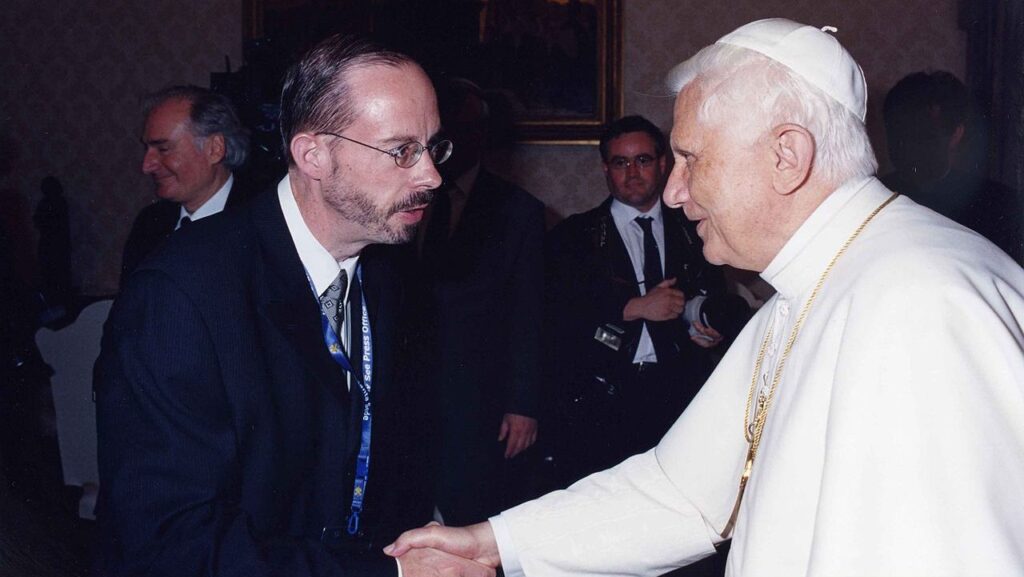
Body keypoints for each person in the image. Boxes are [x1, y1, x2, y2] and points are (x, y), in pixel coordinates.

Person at [384, 18, 1024, 576]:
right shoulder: (806, 292)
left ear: (787, 156)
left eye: (690, 158)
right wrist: (489, 542)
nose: (672, 191)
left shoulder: (921, 300)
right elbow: (682, 493)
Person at [95, 34, 492, 576]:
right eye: (402, 151)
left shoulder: (386, 272)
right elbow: (173, 545)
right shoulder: (178, 295)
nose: (432, 176)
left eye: (433, 147)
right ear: (313, 155)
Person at [543, 115, 745, 491]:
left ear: (663, 164)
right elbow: (553, 317)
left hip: (681, 396)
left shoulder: (696, 228)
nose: (632, 172)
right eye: (621, 162)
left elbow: (715, 301)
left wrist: (709, 332)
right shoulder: (574, 236)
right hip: (601, 399)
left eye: (643, 160)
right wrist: (632, 307)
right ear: (606, 169)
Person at [407, 77, 545, 525]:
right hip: (409, 389)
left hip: (478, 397)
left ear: (481, 135)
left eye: (460, 130)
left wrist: (523, 404)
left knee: (471, 513)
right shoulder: (406, 198)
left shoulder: (517, 209)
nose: (447, 144)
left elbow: (530, 310)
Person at [880, 70, 1022, 263]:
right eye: (897, 134)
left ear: (955, 134)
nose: (906, 146)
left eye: (921, 135)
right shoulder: (872, 198)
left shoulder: (999, 206)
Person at [120, 85, 251, 287]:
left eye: (163, 149)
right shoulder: (149, 225)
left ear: (214, 149)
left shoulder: (262, 224)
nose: (147, 166)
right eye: (147, 149)